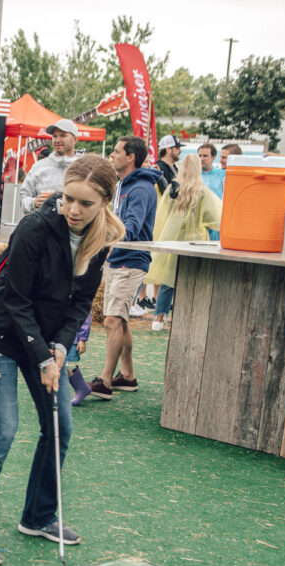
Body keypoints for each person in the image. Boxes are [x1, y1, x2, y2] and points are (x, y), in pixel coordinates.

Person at [0, 155, 125, 565]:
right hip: (1, 336)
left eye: (85, 204)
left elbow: (81, 301)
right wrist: (43, 357)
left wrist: (62, 349)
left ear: (104, 202)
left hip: (45, 342)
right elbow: (16, 300)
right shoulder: (34, 228)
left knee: (59, 429)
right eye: (69, 199)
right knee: (3, 432)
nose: (72, 210)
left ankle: (38, 516)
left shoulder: (101, 238)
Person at [87, 135, 158, 401]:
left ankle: (105, 380)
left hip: (130, 259)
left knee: (113, 320)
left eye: (117, 152)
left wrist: (103, 239)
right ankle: (127, 377)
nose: (112, 155)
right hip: (120, 259)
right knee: (121, 320)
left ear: (131, 157)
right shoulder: (126, 185)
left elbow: (131, 227)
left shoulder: (138, 188)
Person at [146, 154, 221, 332]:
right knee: (192, 280)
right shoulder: (202, 191)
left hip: (173, 238)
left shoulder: (173, 188)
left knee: (168, 279)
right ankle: (186, 317)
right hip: (196, 240)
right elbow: (214, 216)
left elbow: (162, 213)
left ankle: (158, 318)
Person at [19, 119, 80, 214]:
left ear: (75, 139)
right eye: (55, 136)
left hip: (75, 227)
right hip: (44, 226)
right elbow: (24, 198)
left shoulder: (84, 167)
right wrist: (34, 203)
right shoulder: (39, 166)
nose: (57, 140)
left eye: (63, 135)